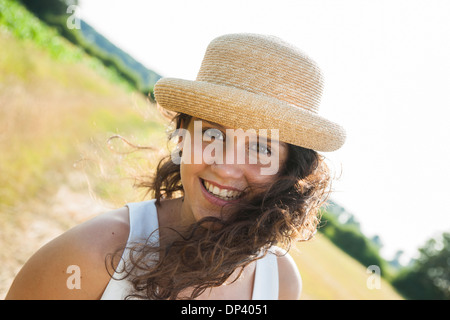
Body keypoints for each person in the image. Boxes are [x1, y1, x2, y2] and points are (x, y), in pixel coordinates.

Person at [6, 33, 345, 300]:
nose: (226, 168)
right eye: (212, 135)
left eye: (260, 147)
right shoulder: (93, 254)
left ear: (289, 170)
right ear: (183, 137)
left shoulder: (280, 284)